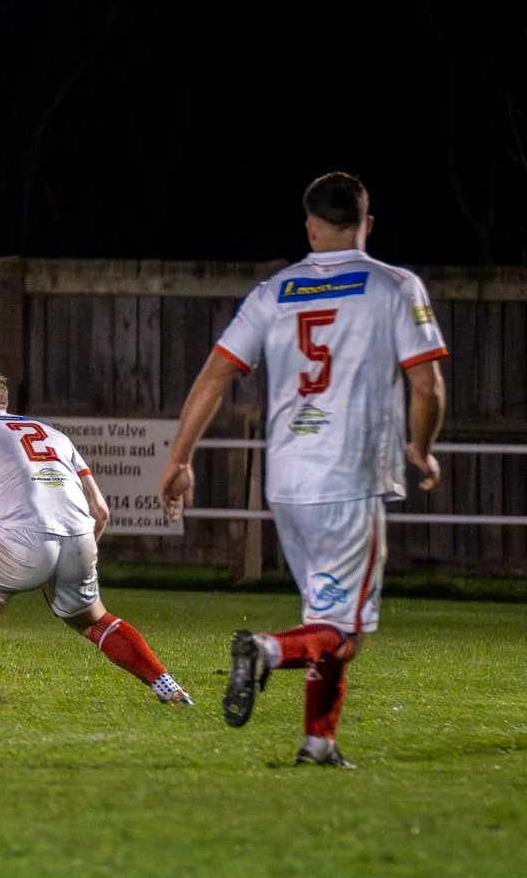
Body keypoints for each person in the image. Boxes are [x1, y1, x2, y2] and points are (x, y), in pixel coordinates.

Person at [162, 172, 446, 768]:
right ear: (367, 223)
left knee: (325, 613)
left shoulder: (274, 291)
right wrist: (422, 448)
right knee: (347, 630)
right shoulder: (394, 286)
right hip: (350, 476)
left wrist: (180, 457)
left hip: (287, 480)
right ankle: (264, 650)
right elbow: (427, 384)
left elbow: (214, 375)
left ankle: (319, 744)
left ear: (310, 226)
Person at [0, 365, 191, 705]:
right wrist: (71, 558)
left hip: (23, 545)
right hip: (81, 540)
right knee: (93, 620)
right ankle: (170, 688)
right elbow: (100, 511)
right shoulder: (52, 433)